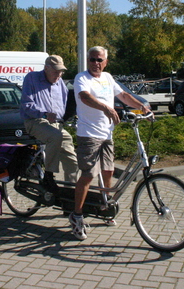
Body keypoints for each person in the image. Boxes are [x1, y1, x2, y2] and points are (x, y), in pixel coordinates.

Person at [69, 46, 151, 240]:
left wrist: (142, 107)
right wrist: (106, 107)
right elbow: (84, 97)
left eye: (99, 60)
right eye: (92, 59)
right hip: (88, 134)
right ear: (87, 60)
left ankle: (105, 206)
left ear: (105, 62)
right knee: (88, 174)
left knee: (108, 171)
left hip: (107, 134)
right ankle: (77, 216)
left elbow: (122, 95)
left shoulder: (108, 77)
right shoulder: (82, 78)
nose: (96, 63)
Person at [20, 55, 78, 186]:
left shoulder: (60, 83)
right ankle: (49, 175)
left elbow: (64, 105)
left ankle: (70, 191)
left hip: (55, 124)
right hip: (35, 121)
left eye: (61, 71)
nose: (58, 75)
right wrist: (44, 114)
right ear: (46, 68)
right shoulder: (32, 78)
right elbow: (26, 104)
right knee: (55, 136)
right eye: (56, 71)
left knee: (71, 156)